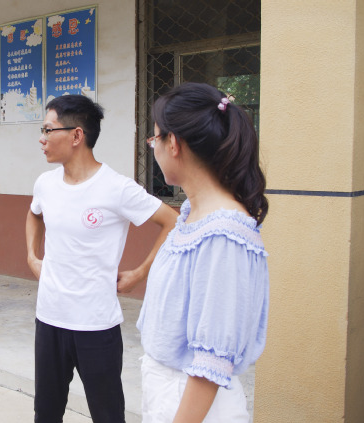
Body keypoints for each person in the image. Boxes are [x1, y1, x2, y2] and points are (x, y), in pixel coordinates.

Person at [26, 94, 178, 422]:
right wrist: (31, 256)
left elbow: (172, 222)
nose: (42, 138)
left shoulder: (116, 188)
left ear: (76, 135)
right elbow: (34, 214)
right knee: (46, 412)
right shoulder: (45, 184)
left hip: (96, 325)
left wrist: (140, 272)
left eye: (48, 129)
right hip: (49, 320)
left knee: (107, 415)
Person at [136, 82, 270, 423]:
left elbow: (213, 360)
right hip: (170, 392)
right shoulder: (192, 215)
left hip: (196, 406)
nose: (153, 147)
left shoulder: (224, 234)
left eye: (154, 139)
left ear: (173, 143)